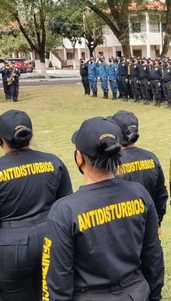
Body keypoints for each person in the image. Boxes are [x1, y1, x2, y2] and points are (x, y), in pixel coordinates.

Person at [42, 117, 164, 301]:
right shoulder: (140, 194)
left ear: (79, 158)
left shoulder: (65, 211)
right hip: (136, 294)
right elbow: (154, 257)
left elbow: (57, 282)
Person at [0, 110, 73, 301]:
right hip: (52, 241)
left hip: (8, 249)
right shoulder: (54, 162)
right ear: (30, 136)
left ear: (0, 139)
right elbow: (68, 208)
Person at [112, 110, 168, 226]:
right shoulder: (151, 158)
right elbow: (161, 195)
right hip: (150, 224)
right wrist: (156, 222)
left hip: (124, 229)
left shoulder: (111, 163)